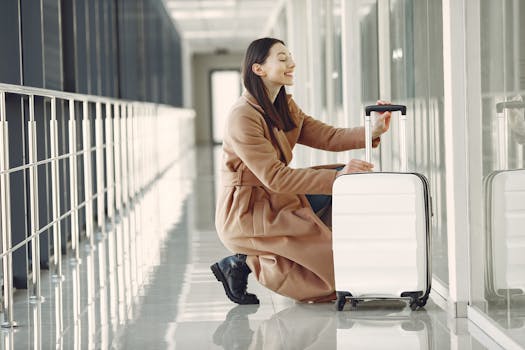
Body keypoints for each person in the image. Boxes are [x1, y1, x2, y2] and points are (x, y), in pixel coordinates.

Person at [210, 37, 391, 305]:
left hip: (276, 199)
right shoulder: (242, 116)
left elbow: (328, 136)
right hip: (248, 212)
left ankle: (246, 261)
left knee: (343, 187)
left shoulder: (284, 107)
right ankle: (244, 261)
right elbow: (275, 177)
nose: (291, 63)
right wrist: (338, 179)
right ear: (258, 69)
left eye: (290, 57)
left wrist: (372, 131)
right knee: (331, 274)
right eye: (282, 59)